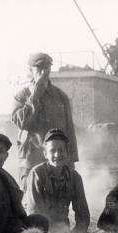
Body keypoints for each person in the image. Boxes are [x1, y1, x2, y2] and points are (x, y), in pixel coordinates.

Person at [12, 52, 78, 191]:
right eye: (39, 67)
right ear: (30, 70)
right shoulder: (22, 96)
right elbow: (22, 123)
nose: (44, 71)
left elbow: (69, 130)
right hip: (31, 159)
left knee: (58, 202)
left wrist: (71, 160)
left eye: (47, 67)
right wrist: (34, 96)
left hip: (56, 159)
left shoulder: (60, 97)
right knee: (31, 204)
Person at [25, 129, 90, 233]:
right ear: (45, 154)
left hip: (62, 230)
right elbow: (34, 211)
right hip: (37, 231)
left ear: (67, 152)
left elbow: (82, 212)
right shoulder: (37, 174)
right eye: (52, 151)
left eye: (61, 150)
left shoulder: (75, 177)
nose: (57, 154)